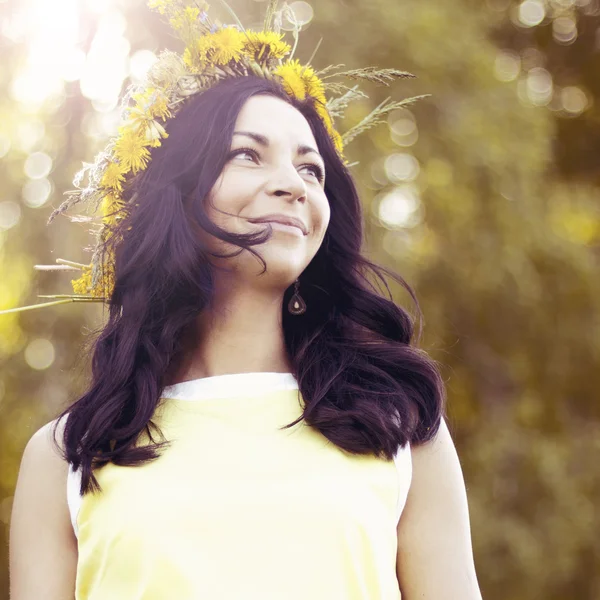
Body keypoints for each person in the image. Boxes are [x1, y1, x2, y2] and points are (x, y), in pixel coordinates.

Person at [8, 3, 483, 599]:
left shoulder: (401, 429)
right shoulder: (66, 457)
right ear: (178, 194)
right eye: (247, 154)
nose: (292, 183)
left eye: (310, 169)